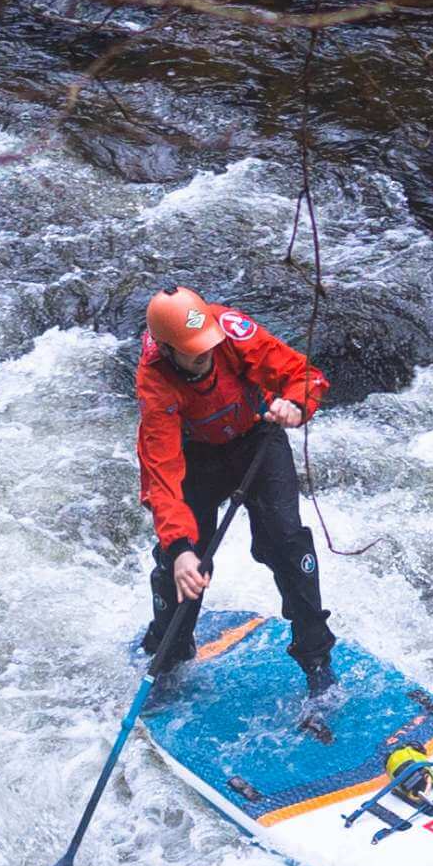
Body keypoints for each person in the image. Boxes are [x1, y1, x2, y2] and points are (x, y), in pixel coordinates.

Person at [136, 282, 336, 695]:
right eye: (193, 349)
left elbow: (304, 374)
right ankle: (168, 654)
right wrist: (178, 549)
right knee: (187, 563)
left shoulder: (229, 329)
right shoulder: (155, 381)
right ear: (169, 350)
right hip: (197, 459)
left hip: (257, 439)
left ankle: (316, 660)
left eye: (207, 342)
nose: (205, 352)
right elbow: (161, 472)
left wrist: (296, 404)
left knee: (287, 542)